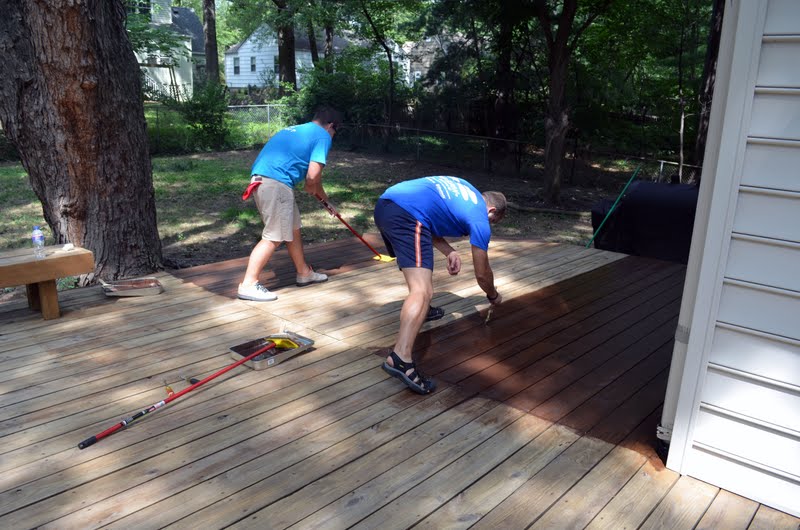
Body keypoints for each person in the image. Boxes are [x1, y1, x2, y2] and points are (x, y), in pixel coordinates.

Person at [373, 176, 506, 394]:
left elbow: (428, 211)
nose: (488, 225)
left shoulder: (465, 187)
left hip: (387, 204)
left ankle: (421, 312)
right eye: (492, 221)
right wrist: (493, 296)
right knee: (422, 290)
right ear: (490, 210)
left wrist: (449, 251)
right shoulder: (479, 217)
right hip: (406, 215)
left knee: (419, 279)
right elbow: (482, 274)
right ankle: (400, 357)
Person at [237, 106, 342, 302]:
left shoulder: (297, 129)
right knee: (274, 236)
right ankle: (249, 284)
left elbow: (313, 182)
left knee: (293, 229)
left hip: (264, 180)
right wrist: (311, 187)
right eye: (336, 131)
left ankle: (304, 272)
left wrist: (325, 200)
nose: (334, 136)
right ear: (330, 126)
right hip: (277, 183)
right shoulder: (323, 136)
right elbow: (312, 176)